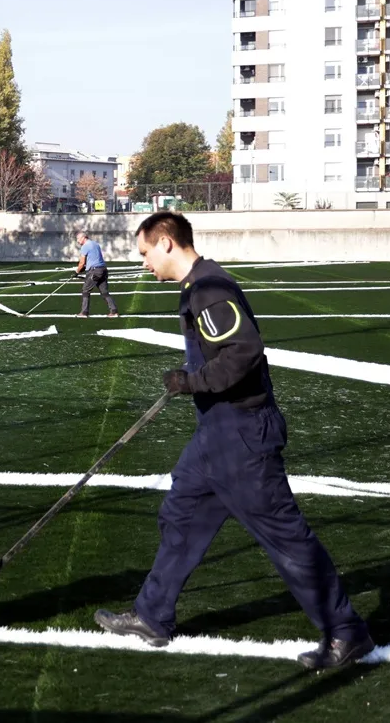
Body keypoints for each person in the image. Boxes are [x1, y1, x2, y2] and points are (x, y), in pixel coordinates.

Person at [93, 211, 374, 670]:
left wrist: (191, 382)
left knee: (287, 540)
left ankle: (346, 632)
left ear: (166, 243)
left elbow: (244, 352)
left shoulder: (208, 288)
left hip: (242, 436)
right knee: (181, 513)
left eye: (145, 252)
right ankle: (152, 615)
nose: (144, 262)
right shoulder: (196, 286)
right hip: (216, 435)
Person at [74, 231, 118, 318]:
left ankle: (84, 312)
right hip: (103, 270)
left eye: (78, 239)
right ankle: (114, 311)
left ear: (83, 237)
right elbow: (94, 258)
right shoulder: (95, 244)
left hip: (95, 271)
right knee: (104, 292)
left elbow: (82, 262)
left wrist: (76, 272)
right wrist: (86, 267)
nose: (77, 241)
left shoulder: (85, 246)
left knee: (85, 290)